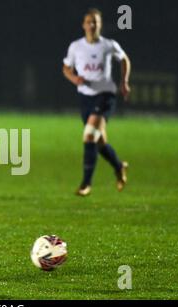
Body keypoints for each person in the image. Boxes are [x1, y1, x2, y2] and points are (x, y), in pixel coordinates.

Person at [62, 8, 131, 196]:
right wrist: (74, 78)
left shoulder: (109, 45)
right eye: (89, 22)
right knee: (99, 143)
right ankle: (118, 165)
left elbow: (124, 59)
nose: (92, 25)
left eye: (96, 22)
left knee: (89, 135)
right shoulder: (76, 46)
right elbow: (66, 68)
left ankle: (86, 184)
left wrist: (124, 82)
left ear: (100, 25)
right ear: (83, 25)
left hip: (105, 95)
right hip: (85, 97)